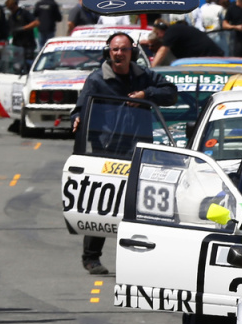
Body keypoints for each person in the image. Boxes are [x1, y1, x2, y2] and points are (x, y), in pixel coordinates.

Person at [70, 32, 178, 275]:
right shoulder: (97, 80)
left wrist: (145, 95)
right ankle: (91, 258)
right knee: (103, 204)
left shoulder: (144, 77)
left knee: (138, 206)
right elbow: (79, 110)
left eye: (124, 49)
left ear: (133, 53)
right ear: (109, 52)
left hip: (138, 150)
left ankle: (139, 259)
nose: (119, 53)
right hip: (106, 152)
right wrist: (77, 120)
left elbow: (171, 93)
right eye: (115, 49)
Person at [150, 18, 224, 65]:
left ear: (162, 29)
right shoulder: (174, 33)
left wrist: (152, 68)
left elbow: (162, 51)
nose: (158, 36)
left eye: (157, 33)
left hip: (210, 58)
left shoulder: (171, 31)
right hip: (205, 58)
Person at [5, 0, 39, 71]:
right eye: (9, 9)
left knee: (29, 64)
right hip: (17, 45)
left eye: (12, 8)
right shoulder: (11, 17)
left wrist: (23, 28)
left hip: (28, 44)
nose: (11, 10)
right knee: (17, 66)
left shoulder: (24, 13)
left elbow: (36, 22)